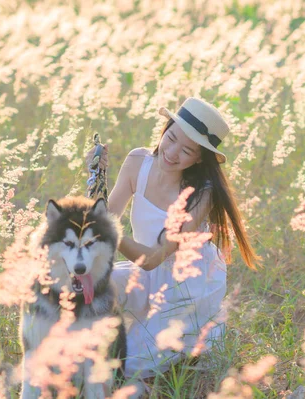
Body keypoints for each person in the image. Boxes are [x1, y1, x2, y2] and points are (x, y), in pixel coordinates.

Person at [85, 97, 260, 386]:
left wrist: (110, 230)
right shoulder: (137, 162)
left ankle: (185, 346)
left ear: (199, 158)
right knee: (89, 291)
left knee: (128, 368)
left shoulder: (200, 195)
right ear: (164, 130)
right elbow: (103, 217)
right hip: (143, 273)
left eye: (187, 150)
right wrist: (96, 177)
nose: (172, 152)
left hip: (185, 286)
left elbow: (154, 258)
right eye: (171, 137)